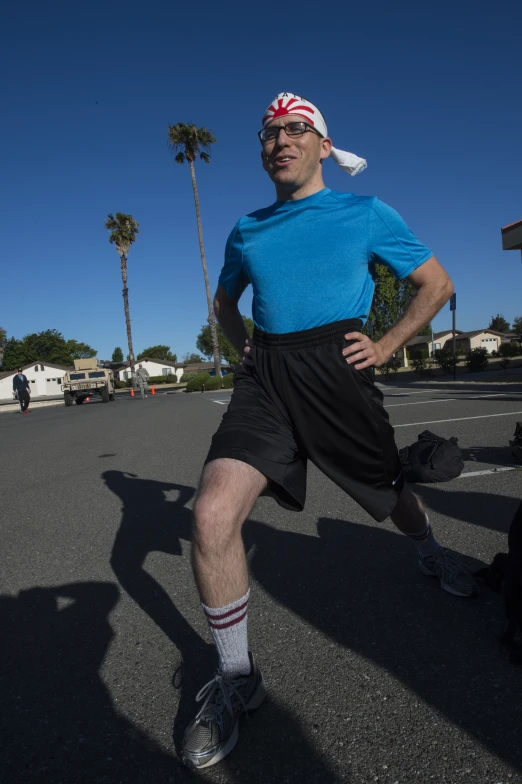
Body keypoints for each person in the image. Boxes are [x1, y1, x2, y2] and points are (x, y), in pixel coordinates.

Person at [182, 92, 479, 770]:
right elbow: (226, 301)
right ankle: (236, 679)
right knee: (210, 515)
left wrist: (386, 343)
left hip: (338, 370)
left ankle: (429, 548)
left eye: (293, 130)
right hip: (267, 379)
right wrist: (245, 347)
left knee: (390, 487)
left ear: (321, 144)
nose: (278, 141)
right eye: (268, 133)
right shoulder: (247, 228)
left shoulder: (364, 212)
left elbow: (435, 284)